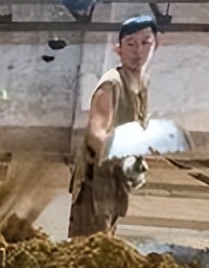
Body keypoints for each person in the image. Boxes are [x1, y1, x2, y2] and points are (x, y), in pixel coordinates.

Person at [68, 14, 160, 238]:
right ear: (118, 49)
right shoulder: (111, 85)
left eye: (145, 42)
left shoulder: (142, 82)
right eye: (130, 44)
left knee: (108, 235)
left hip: (116, 180)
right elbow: (95, 133)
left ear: (155, 45)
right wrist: (123, 159)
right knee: (90, 244)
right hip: (96, 180)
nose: (138, 51)